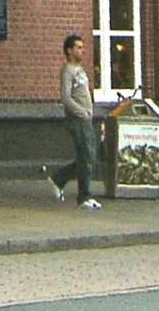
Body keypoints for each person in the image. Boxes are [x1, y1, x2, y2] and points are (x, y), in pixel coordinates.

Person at [45, 32, 101, 210]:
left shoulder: (80, 69)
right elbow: (66, 97)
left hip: (86, 118)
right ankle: (83, 196)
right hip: (78, 120)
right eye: (78, 47)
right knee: (87, 157)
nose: (82, 51)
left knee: (88, 157)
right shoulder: (68, 71)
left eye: (82, 47)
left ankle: (58, 179)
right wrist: (82, 112)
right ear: (69, 51)